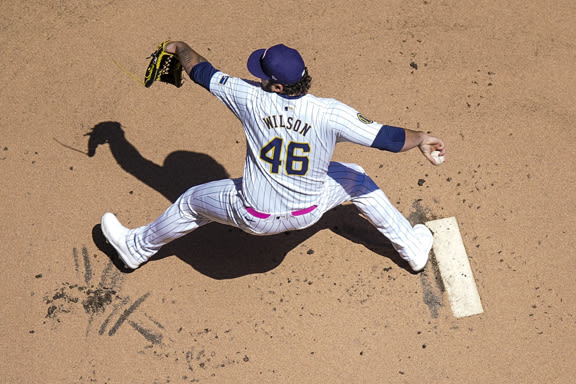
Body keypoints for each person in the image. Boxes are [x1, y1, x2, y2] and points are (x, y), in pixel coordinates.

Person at [101, 41, 446, 273]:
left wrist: (178, 47)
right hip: (309, 212)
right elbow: (387, 138)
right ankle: (412, 247)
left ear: (277, 86)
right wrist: (421, 139)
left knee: (192, 202)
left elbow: (201, 72)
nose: (257, 78)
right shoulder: (331, 113)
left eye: (263, 76)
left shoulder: (249, 97)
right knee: (356, 177)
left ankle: (136, 247)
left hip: (254, 216)